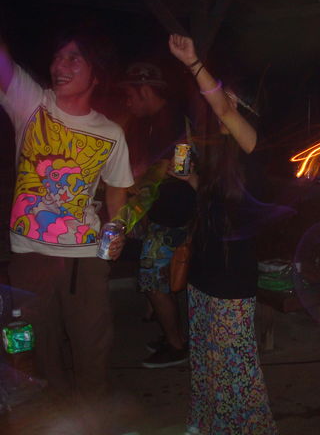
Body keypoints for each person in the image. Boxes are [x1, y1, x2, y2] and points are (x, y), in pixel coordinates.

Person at [0, 25, 133, 401]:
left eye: (74, 58)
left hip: (85, 258)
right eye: (58, 57)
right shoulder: (31, 103)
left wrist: (118, 229)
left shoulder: (110, 132)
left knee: (92, 346)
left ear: (96, 73)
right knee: (39, 351)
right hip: (30, 255)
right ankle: (53, 412)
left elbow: (117, 189)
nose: (60, 65)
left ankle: (92, 414)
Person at [168, 33, 277, 435]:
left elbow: (221, 106)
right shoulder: (222, 154)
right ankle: (208, 426)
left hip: (232, 278)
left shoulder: (256, 146)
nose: (217, 105)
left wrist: (193, 63)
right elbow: (215, 200)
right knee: (207, 364)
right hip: (203, 274)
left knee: (236, 370)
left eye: (227, 99)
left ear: (243, 108)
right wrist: (190, 178)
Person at [119, 62, 195, 368]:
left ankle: (177, 346)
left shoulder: (174, 120)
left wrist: (140, 176)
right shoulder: (153, 121)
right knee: (155, 278)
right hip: (161, 212)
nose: (127, 102)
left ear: (146, 92)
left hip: (174, 215)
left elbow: (176, 166)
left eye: (130, 96)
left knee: (152, 280)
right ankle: (170, 333)